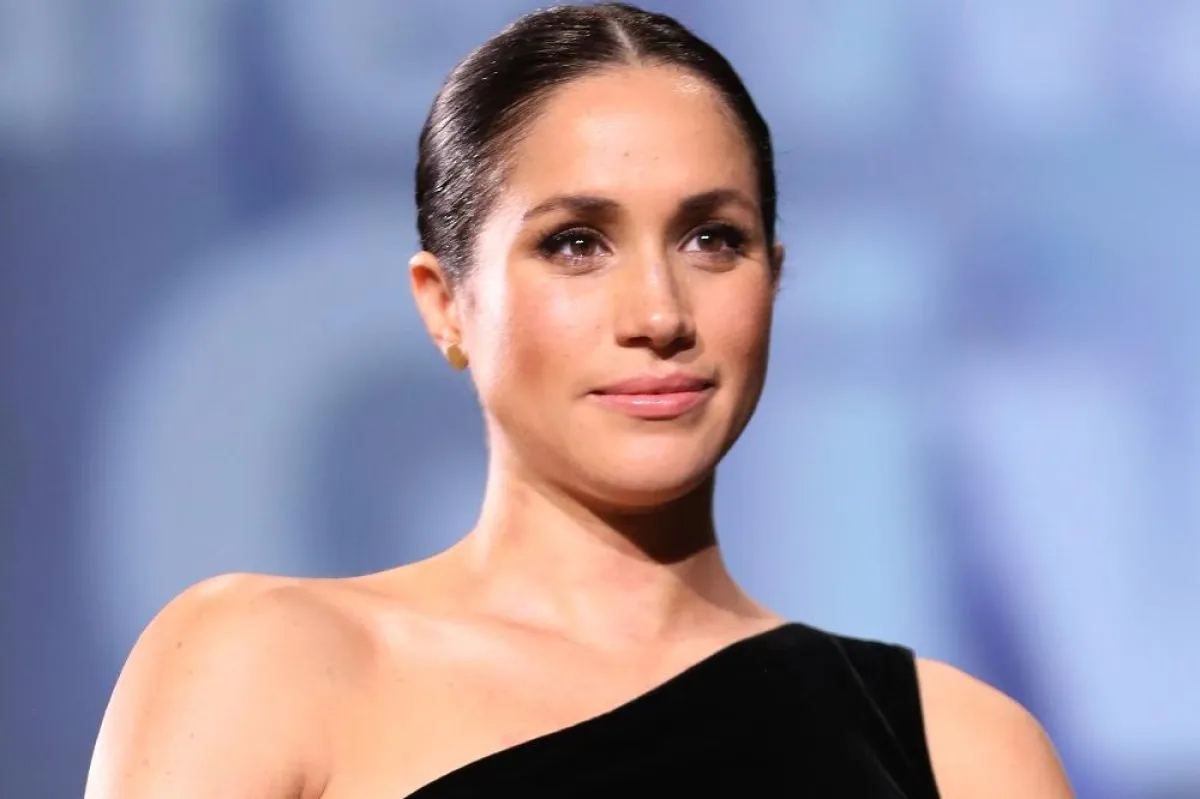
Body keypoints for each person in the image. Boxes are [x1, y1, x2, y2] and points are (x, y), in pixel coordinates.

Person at [85, 4, 1074, 797]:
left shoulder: (965, 752)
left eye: (713, 240)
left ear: (774, 279)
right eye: (575, 244)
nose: (659, 313)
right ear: (446, 302)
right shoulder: (266, 667)